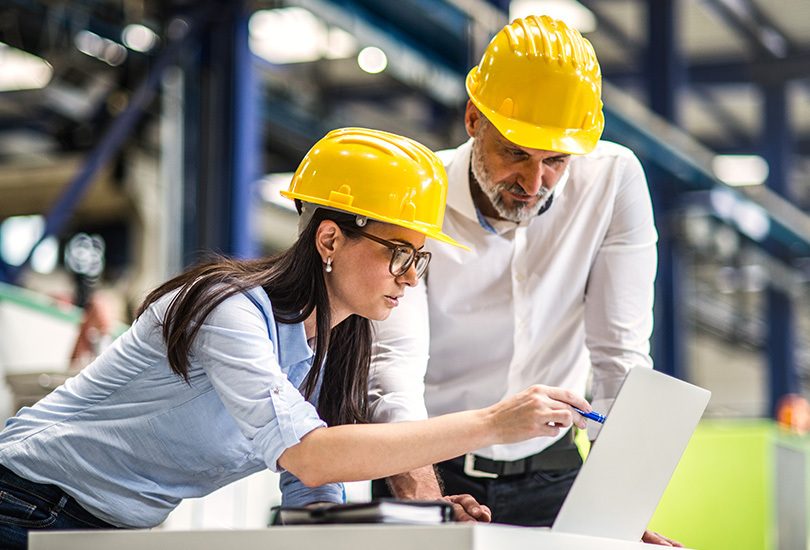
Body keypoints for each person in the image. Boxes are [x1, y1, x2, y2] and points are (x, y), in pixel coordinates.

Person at [0, 127, 594, 549]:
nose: (412, 278)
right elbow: (309, 458)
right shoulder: (228, 310)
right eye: (397, 254)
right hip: (25, 503)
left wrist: (424, 521)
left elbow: (313, 499)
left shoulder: (329, 354)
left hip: (102, 529)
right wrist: (491, 423)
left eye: (420, 259)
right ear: (330, 241)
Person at [368, 16, 679, 546]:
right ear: (473, 119)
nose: (534, 184)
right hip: (428, 461)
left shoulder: (613, 180)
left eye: (555, 160)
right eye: (515, 153)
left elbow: (619, 356)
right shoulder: (417, 196)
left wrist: (620, 510)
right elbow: (390, 369)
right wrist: (423, 501)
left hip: (554, 468)